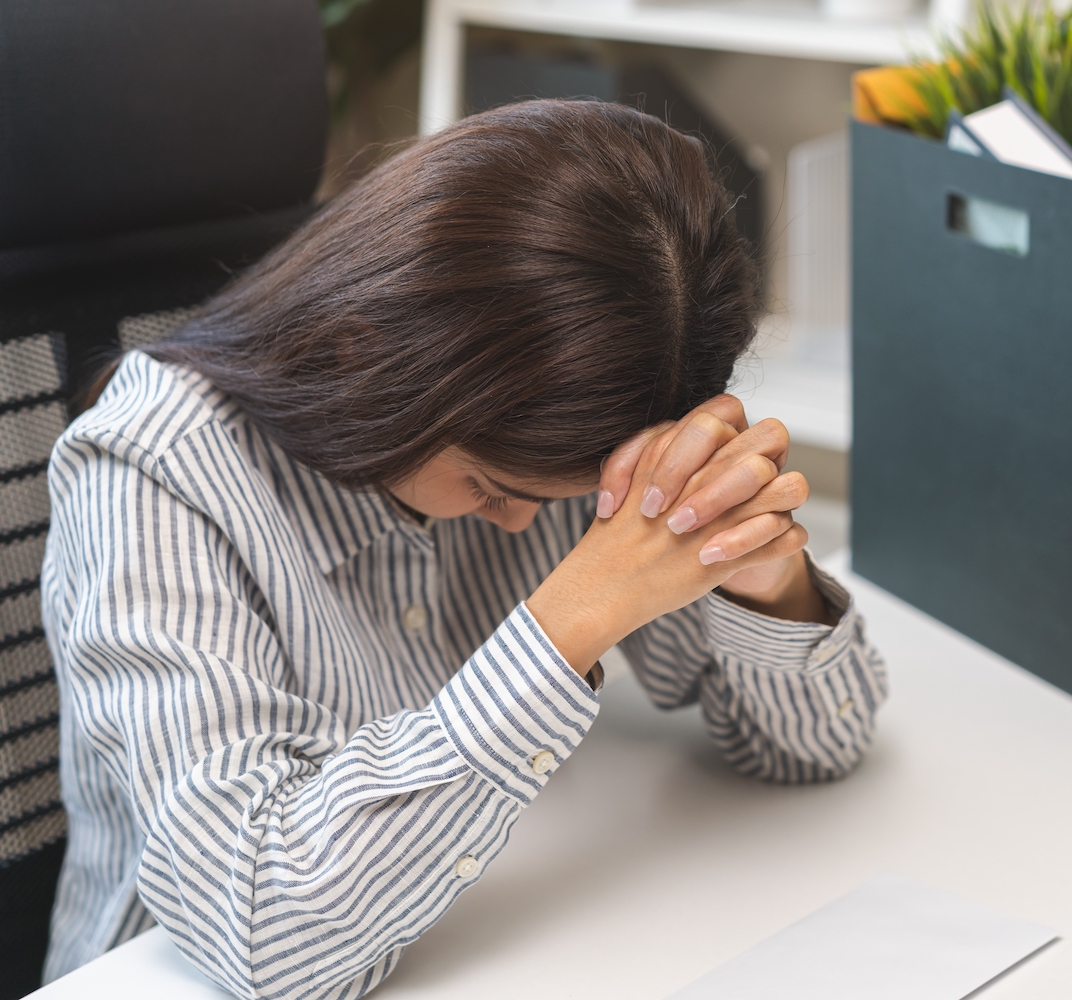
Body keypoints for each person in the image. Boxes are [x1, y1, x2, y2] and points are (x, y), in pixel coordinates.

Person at [40, 100, 887, 998]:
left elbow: (810, 751)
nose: (526, 526)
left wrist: (760, 573)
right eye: (491, 489)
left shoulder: (575, 418)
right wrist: (571, 620)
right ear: (368, 356)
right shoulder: (150, 473)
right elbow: (260, 939)